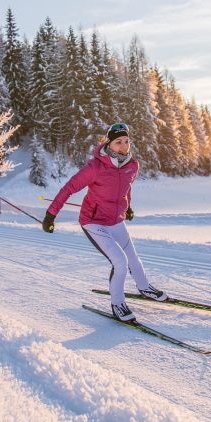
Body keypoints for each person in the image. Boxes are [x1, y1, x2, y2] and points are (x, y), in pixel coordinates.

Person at [42, 123, 167, 322]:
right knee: (120, 262)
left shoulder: (132, 165)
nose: (124, 146)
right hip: (93, 221)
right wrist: (51, 215)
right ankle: (117, 303)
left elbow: (126, 188)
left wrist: (128, 207)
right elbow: (69, 188)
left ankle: (144, 287)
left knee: (133, 257)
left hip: (115, 219)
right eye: (118, 142)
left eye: (126, 141)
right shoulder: (95, 167)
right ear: (109, 144)